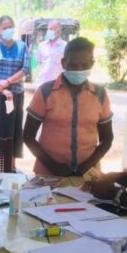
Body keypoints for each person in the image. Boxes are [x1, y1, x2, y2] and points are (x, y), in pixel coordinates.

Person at [24, 37, 113, 177]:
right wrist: (53, 167)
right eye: (73, 65)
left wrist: (87, 165)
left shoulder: (100, 94)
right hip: (48, 174)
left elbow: (107, 139)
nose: (79, 69)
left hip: (88, 174)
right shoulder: (45, 92)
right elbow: (28, 136)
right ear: (63, 63)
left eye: (84, 65)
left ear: (92, 64)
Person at [0, 15, 30, 158]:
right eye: (5, 27)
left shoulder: (22, 46)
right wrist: (1, 88)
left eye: (10, 27)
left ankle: (10, 163)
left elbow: (25, 69)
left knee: (11, 130)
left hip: (15, 96)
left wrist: (7, 82)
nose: (8, 30)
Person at [34, 20, 67, 87]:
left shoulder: (65, 46)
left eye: (51, 29)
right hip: (42, 83)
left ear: (59, 31)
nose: (48, 31)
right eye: (48, 29)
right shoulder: (42, 45)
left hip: (58, 84)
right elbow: (40, 62)